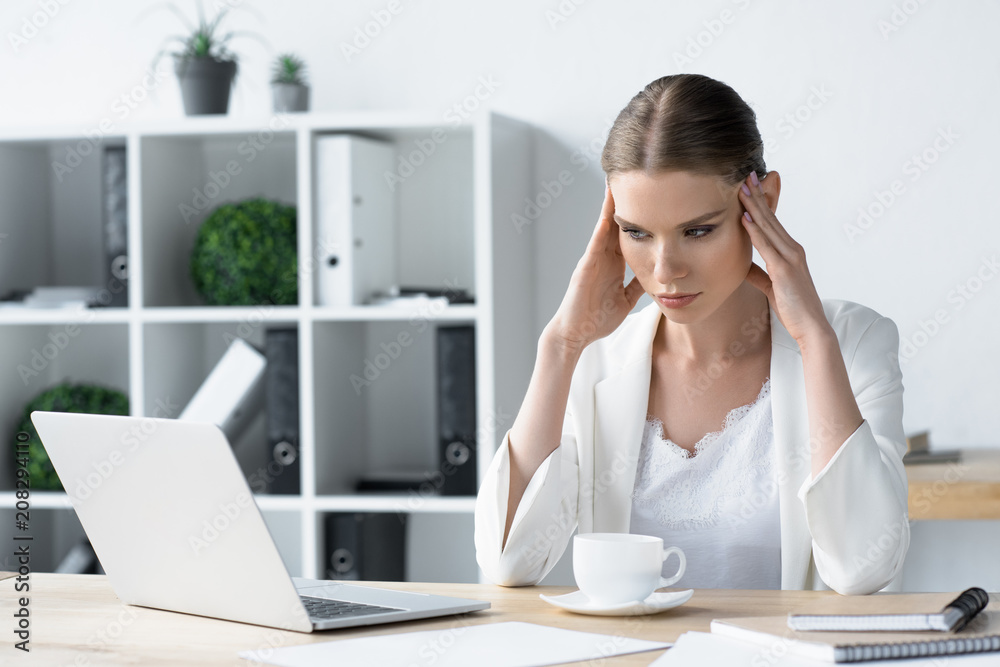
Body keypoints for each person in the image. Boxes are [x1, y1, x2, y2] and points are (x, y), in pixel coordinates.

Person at [474, 74, 909, 595]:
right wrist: (560, 346)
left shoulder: (853, 342)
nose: (665, 270)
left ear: (763, 201)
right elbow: (508, 563)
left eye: (697, 231)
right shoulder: (594, 363)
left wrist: (814, 341)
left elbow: (863, 571)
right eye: (636, 232)